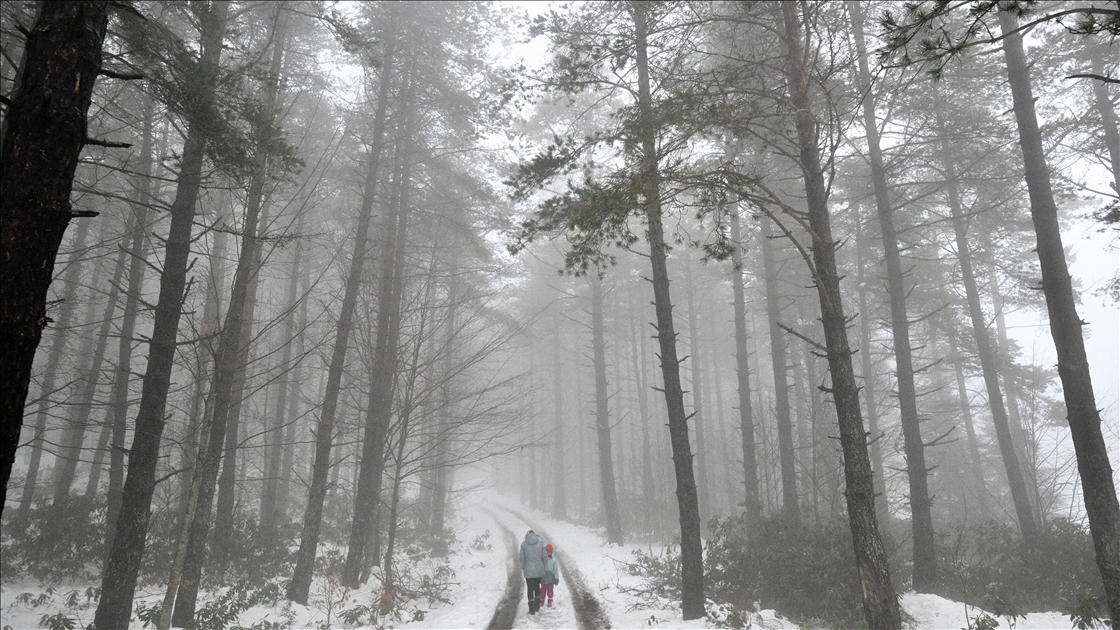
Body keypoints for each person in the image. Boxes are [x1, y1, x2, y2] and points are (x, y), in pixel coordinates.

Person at [519, 529, 548, 614]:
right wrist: (543, 566)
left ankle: (531, 608)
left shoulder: (524, 544)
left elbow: (522, 558)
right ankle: (537, 606)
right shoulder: (541, 543)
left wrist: (524, 567)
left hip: (528, 569)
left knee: (530, 588)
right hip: (539, 569)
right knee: (537, 587)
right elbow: (545, 556)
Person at [539, 543, 560, 608]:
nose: (548, 554)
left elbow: (556, 570)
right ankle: (542, 599)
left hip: (550, 578)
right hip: (543, 578)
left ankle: (550, 600)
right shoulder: (542, 559)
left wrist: (556, 578)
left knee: (550, 590)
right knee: (543, 590)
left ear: (551, 552)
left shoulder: (554, 560)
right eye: (547, 552)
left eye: (549, 552)